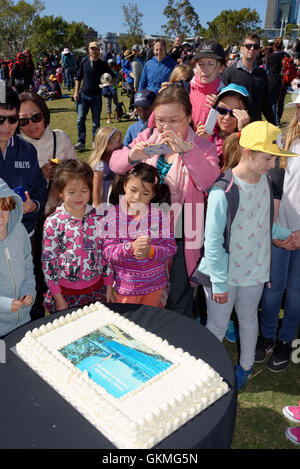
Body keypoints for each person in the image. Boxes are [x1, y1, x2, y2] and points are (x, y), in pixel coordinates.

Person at [191, 121, 296, 389]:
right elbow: (212, 242)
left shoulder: (263, 182)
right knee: (217, 325)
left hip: (255, 272)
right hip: (223, 276)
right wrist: (219, 282)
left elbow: (263, 223)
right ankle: (204, 372)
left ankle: (246, 366)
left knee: (249, 320)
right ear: (247, 151)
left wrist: (284, 233)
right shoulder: (223, 191)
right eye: (268, 158)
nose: (272, 165)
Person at [109, 85, 220, 316]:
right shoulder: (148, 138)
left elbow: (209, 180)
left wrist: (188, 153)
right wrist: (132, 155)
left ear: (189, 117)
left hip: (181, 231)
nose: (166, 127)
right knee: (148, 291)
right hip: (145, 230)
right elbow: (115, 164)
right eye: (160, 120)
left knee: (178, 296)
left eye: (174, 120)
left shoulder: (202, 146)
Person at [255, 94, 300, 373]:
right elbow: (271, 184)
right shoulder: (285, 142)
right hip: (280, 231)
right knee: (272, 291)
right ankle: (267, 335)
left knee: (296, 293)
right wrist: (274, 228)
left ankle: (286, 340)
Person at [42, 160, 114, 313]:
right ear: (61, 192)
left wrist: (108, 287)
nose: (78, 196)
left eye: (84, 190)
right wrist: (58, 297)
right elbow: (48, 262)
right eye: (71, 192)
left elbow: (105, 255)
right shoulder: (53, 222)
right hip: (65, 294)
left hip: (96, 290)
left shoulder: (99, 219)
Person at [100, 163, 177, 307]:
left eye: (145, 193)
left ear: (153, 194)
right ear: (124, 186)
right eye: (133, 190)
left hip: (155, 287)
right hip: (127, 289)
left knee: (149, 324)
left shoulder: (159, 216)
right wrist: (130, 247)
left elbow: (171, 247)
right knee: (126, 326)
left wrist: (151, 251)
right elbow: (108, 252)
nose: (137, 197)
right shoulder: (113, 216)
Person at [0, 86, 47, 238]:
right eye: (0, 119)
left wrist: (34, 205)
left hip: (25, 236)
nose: (6, 126)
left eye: (12, 119)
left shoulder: (27, 150)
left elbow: (39, 186)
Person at [0, 178, 35, 338]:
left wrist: (29, 291)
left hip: (24, 321)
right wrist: (5, 305)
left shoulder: (19, 231)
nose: (1, 217)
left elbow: (28, 266)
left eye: (4, 209)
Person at [18, 92, 77, 185]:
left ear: (44, 115)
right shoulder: (13, 146)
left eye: (36, 117)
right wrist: (40, 175)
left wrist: (64, 172)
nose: (31, 124)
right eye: (23, 121)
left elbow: (78, 172)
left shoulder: (61, 138)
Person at [222, 33, 275, 125]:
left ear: (259, 50)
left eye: (256, 46)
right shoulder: (230, 72)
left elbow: (266, 104)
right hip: (234, 127)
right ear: (241, 48)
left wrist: (275, 126)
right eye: (248, 46)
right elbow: (220, 103)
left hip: (255, 127)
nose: (252, 49)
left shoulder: (262, 74)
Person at [196, 83, 250, 167]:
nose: (227, 117)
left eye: (234, 113)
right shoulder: (207, 133)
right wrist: (198, 144)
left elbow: (244, 164)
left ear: (245, 114)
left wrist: (243, 132)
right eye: (222, 110)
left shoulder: (249, 141)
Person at [73, 42, 113, 152]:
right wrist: (76, 93)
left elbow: (113, 77)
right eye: (92, 49)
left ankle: (95, 142)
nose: (93, 51)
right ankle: (81, 142)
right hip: (83, 96)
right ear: (88, 50)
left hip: (96, 97)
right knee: (80, 119)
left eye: (95, 49)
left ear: (99, 50)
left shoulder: (102, 64)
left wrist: (108, 83)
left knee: (96, 122)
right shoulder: (84, 62)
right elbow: (78, 78)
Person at [189, 40, 226, 132]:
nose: (204, 69)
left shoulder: (225, 95)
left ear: (221, 68)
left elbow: (228, 132)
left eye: (211, 64)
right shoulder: (185, 89)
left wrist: (220, 110)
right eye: (200, 64)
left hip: (210, 145)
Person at [89, 126, 123, 206]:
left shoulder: (115, 159)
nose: (121, 144)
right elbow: (96, 190)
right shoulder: (100, 164)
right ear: (107, 144)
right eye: (118, 142)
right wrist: (98, 209)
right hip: (103, 204)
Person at [267, 37, 290, 127]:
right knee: (281, 101)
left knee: (273, 101)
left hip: (273, 80)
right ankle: (278, 120)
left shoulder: (271, 56)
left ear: (274, 46)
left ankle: (274, 121)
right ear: (282, 45)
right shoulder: (286, 55)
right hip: (284, 80)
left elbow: (268, 70)